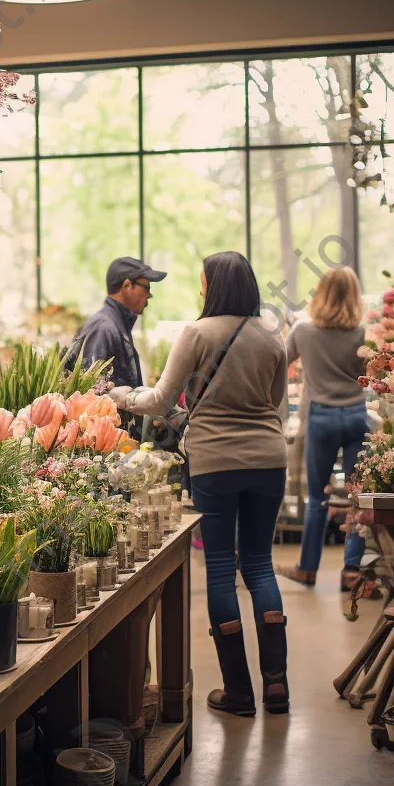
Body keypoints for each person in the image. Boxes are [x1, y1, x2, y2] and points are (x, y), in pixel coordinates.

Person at [110, 251, 290, 717]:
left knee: (219, 570)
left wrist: (116, 394)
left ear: (214, 286)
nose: (200, 289)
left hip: (215, 462)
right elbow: (276, 406)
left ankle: (239, 692)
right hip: (269, 460)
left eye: (203, 282)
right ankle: (276, 685)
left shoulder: (196, 333)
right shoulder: (273, 338)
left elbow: (158, 400)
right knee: (260, 565)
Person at [276, 266, 368, 591]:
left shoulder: (302, 329)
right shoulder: (361, 333)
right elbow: (367, 374)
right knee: (359, 497)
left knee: (318, 497)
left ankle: (307, 568)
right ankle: (351, 571)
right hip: (357, 415)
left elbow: (277, 361)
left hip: (322, 417)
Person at [70, 257, 166, 436]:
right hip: (107, 442)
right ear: (127, 286)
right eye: (147, 288)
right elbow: (91, 393)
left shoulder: (116, 324)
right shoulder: (103, 328)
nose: (149, 296)